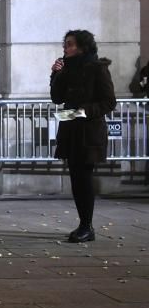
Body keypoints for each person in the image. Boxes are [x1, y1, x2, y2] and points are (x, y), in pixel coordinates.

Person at [50, 29, 116, 243]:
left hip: (88, 132)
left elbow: (108, 101)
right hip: (70, 130)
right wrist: (55, 74)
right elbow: (57, 98)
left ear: (82, 47)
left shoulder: (98, 69)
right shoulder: (67, 69)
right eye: (65, 44)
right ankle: (84, 225)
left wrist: (82, 111)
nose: (65, 48)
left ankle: (86, 226)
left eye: (69, 44)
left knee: (83, 178)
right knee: (76, 178)